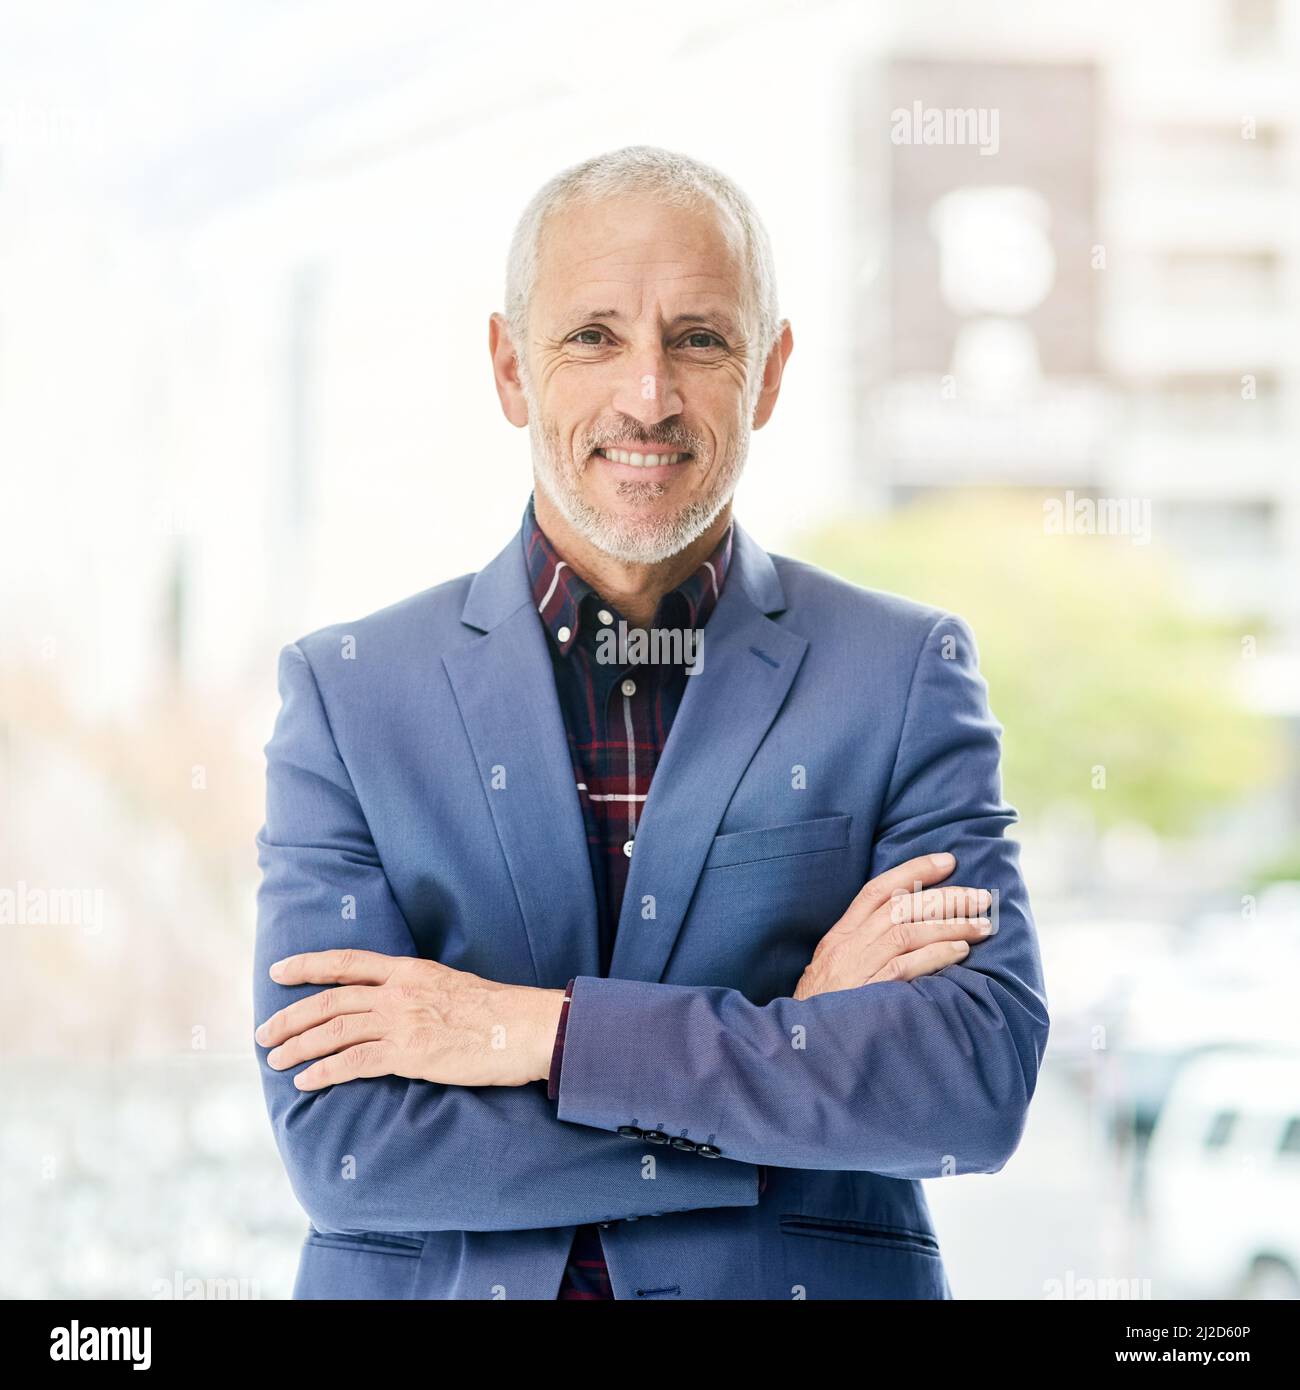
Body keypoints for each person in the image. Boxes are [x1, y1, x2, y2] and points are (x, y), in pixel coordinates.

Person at [252, 145, 1050, 1300]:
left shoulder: (900, 673)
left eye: (700, 339)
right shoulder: (347, 692)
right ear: (509, 367)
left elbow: (967, 1091)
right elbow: (350, 1151)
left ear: (768, 374)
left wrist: (539, 1034)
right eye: (592, 337)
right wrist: (786, 1050)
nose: (648, 394)